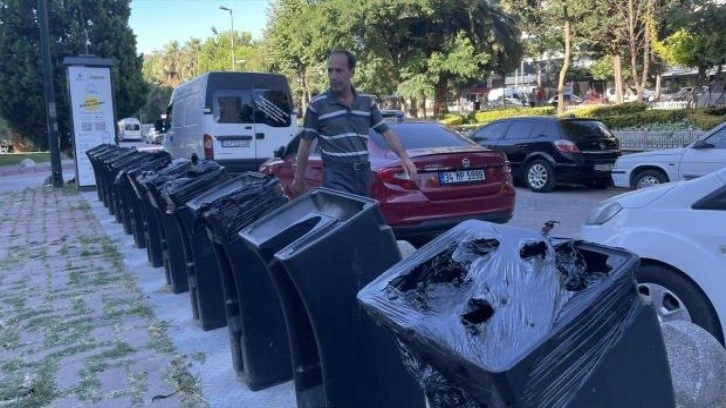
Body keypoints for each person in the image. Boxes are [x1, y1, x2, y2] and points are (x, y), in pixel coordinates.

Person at [290, 50, 417, 197]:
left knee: (362, 217)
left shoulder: (366, 102)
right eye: (330, 71)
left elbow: (386, 132)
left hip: (363, 174)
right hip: (336, 175)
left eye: (339, 71)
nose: (333, 76)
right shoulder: (318, 105)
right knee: (344, 215)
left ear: (352, 72)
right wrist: (299, 178)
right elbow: (305, 142)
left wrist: (404, 158)